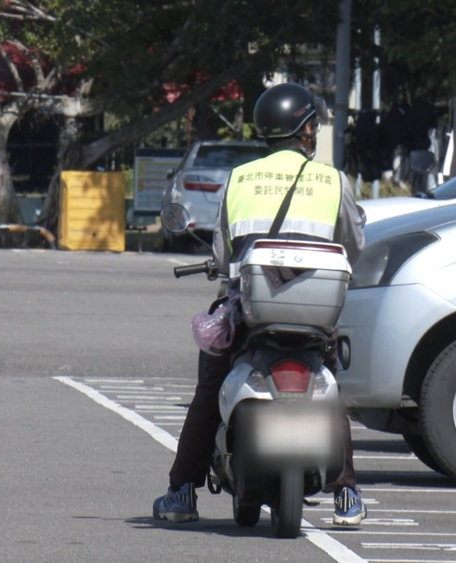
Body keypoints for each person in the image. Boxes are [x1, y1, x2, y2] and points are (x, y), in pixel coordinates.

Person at [153, 82, 367, 526]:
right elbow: (353, 245)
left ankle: (182, 492)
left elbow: (223, 256)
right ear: (305, 130)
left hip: (253, 315)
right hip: (314, 317)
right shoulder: (333, 180)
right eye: (313, 126)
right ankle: (347, 494)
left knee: (210, 387)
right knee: (329, 385)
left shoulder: (241, 178)